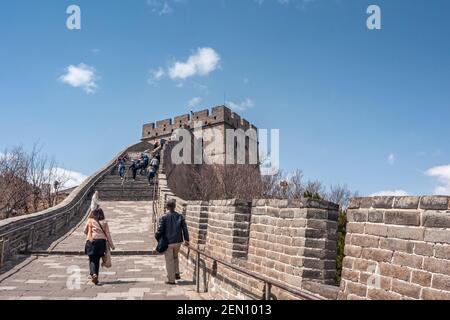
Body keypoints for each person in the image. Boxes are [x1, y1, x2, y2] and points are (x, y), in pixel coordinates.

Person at [155, 199, 190, 285]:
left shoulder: (164, 217)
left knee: (169, 260)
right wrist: (187, 240)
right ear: (174, 207)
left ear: (167, 207)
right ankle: (177, 273)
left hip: (168, 242)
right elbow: (185, 229)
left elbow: (159, 231)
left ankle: (171, 279)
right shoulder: (180, 216)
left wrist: (158, 239)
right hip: (178, 241)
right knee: (175, 257)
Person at [84, 208, 115, 285]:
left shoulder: (90, 220)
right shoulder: (104, 222)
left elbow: (84, 231)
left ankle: (94, 274)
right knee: (96, 259)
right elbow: (108, 234)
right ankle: (94, 276)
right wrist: (111, 245)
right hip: (101, 243)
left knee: (92, 259)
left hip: (91, 241)